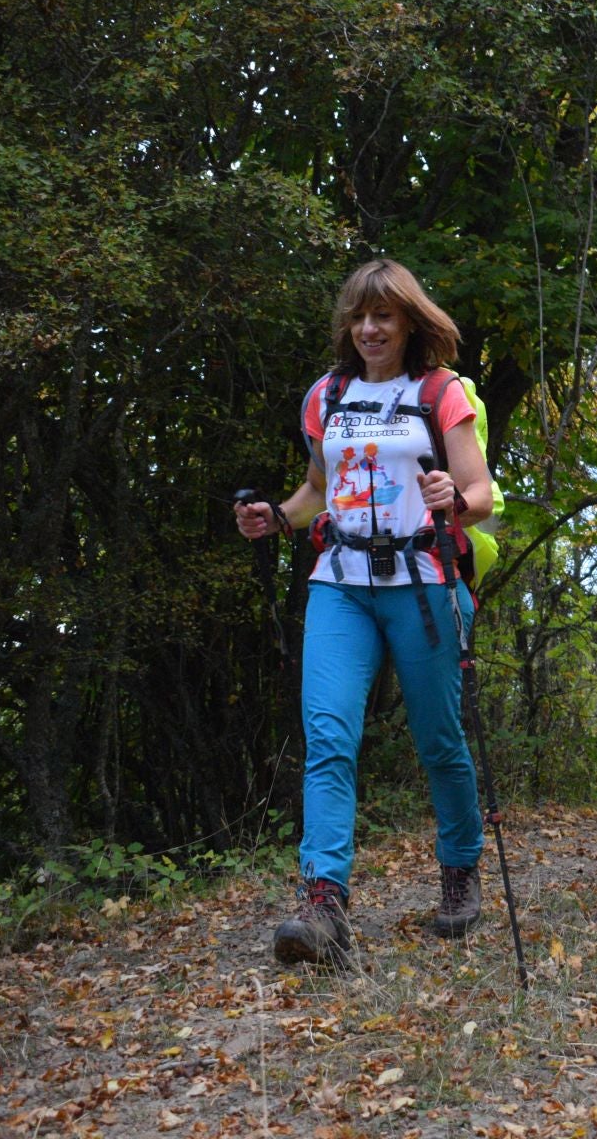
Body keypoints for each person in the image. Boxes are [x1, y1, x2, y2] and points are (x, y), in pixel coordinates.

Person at [236, 259, 496, 964]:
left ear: (410, 321)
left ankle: (460, 867)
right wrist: (275, 517)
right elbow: (318, 489)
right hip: (340, 582)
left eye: (383, 315)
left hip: (423, 582)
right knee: (328, 738)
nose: (370, 329)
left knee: (438, 739)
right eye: (358, 317)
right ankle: (323, 903)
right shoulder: (327, 396)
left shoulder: (441, 393)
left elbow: (480, 493)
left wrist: (453, 500)